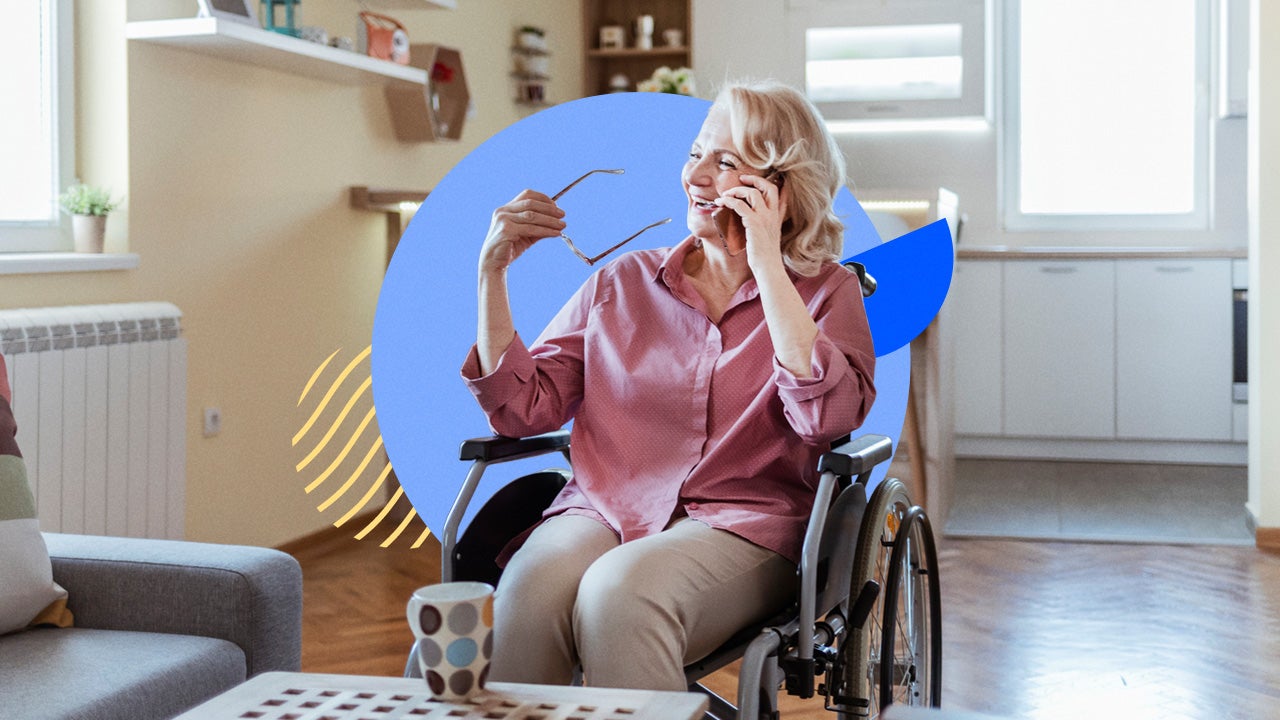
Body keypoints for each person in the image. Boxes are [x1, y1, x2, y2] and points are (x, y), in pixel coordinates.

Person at [459, 80, 876, 691]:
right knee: (529, 587)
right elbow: (523, 407)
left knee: (621, 594)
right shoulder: (621, 282)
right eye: (695, 154)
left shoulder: (825, 291)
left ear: (781, 189)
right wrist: (491, 274)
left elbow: (825, 419)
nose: (697, 176)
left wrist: (765, 261)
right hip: (604, 505)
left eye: (726, 162)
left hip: (747, 524)